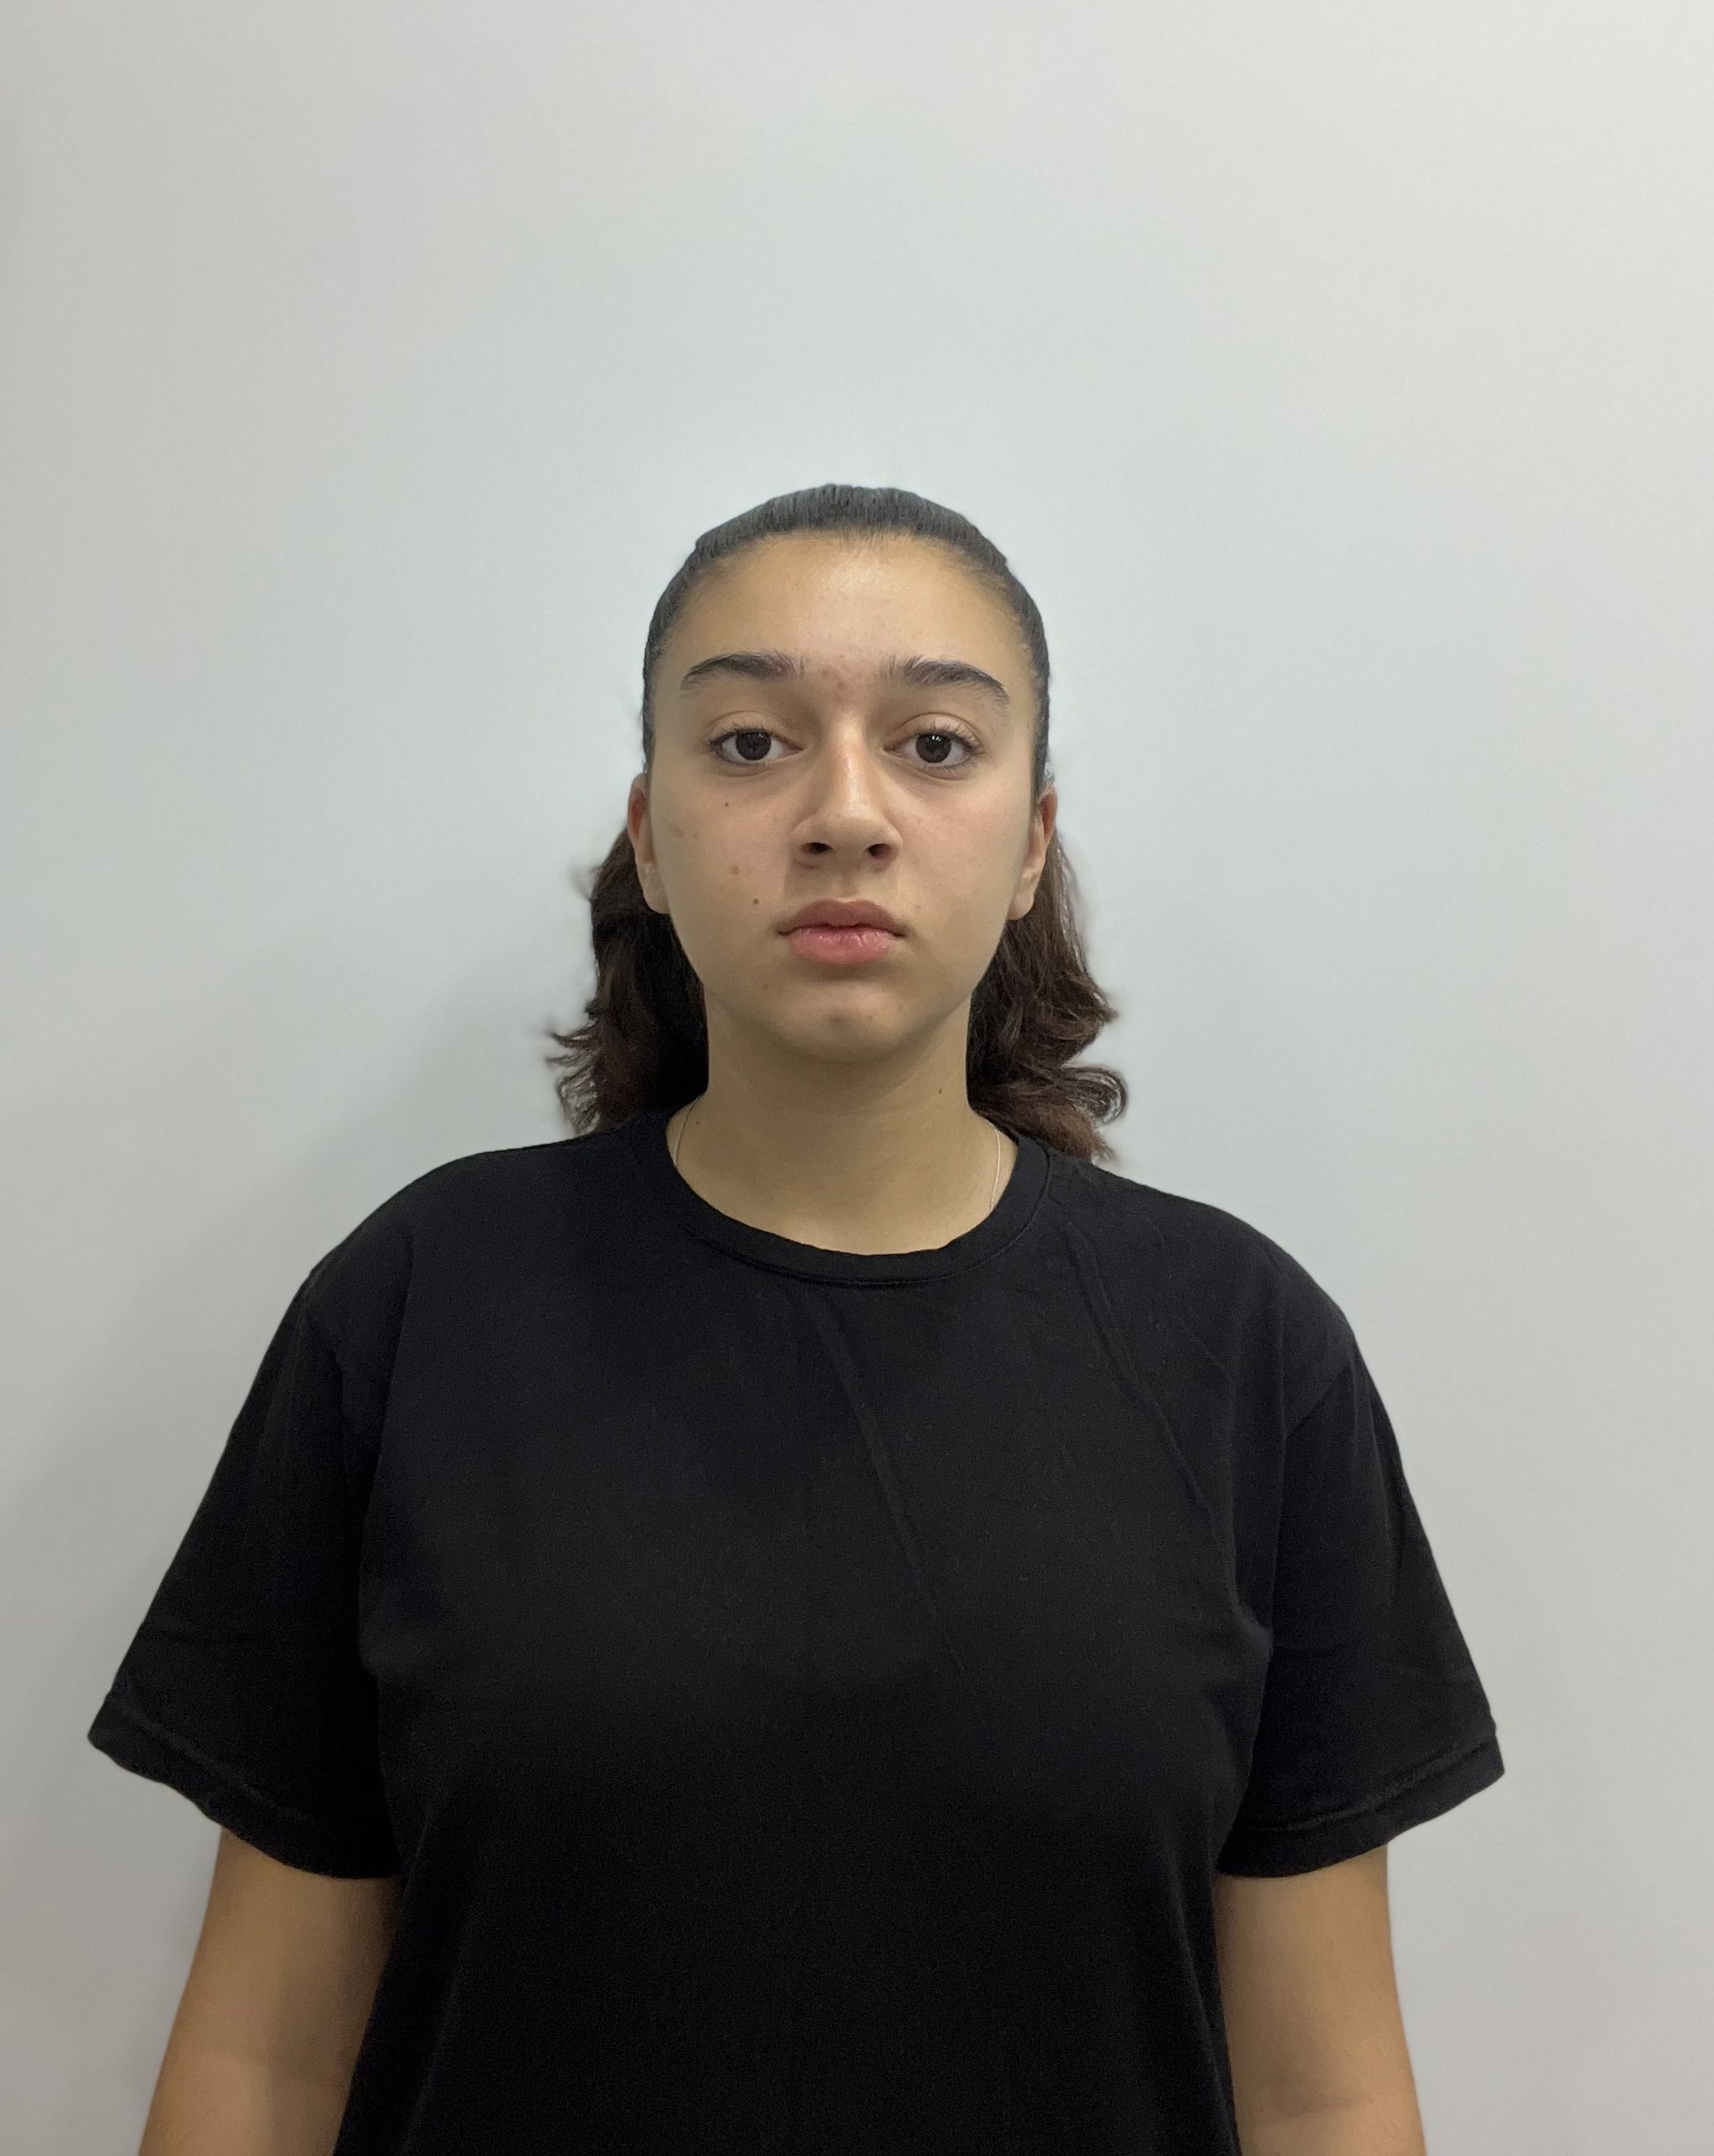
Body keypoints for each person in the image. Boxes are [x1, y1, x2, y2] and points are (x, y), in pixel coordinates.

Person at [88, 481, 1505, 2156]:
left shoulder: (1243, 1352)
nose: (845, 812)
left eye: (935, 744)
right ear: (649, 834)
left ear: (1032, 841)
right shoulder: (416, 1305)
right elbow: (265, 2057)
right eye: (751, 743)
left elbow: (1322, 2089)